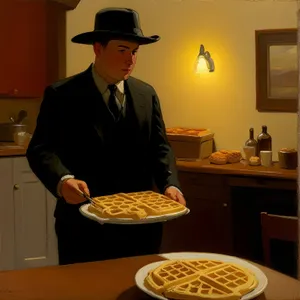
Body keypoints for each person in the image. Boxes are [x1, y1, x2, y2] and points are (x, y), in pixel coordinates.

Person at [26, 7, 186, 265]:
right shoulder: (62, 94)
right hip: (83, 228)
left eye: (135, 52)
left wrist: (170, 183)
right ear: (97, 49)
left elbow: (160, 148)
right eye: (122, 50)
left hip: (142, 228)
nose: (130, 60)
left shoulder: (147, 94)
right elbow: (41, 149)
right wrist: (63, 180)